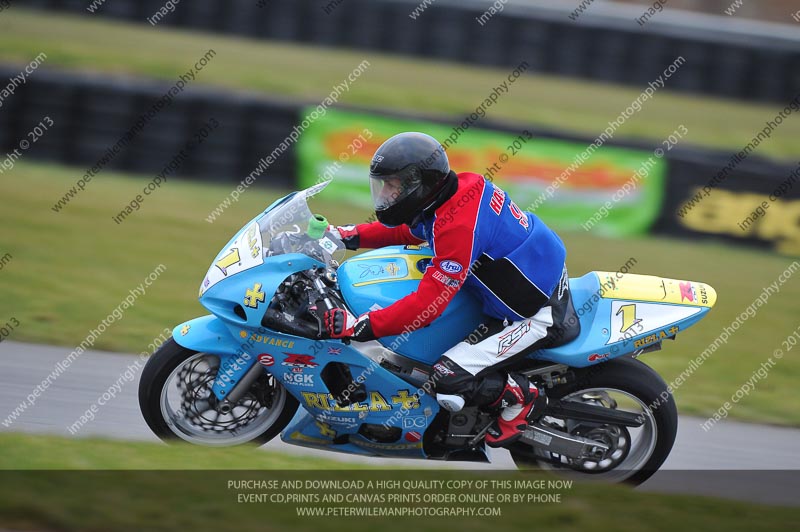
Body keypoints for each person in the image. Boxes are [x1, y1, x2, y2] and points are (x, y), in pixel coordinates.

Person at [324, 132, 579, 448]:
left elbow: (427, 306)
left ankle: (522, 396)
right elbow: (412, 228)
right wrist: (347, 235)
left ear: (421, 184)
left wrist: (365, 326)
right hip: (532, 276)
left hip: (537, 313)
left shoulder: (459, 227)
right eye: (384, 185)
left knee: (446, 376)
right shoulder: (456, 190)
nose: (386, 195)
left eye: (393, 186)